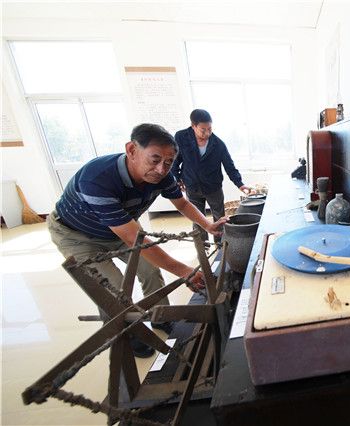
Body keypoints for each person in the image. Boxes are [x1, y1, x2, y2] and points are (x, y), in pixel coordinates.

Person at [47, 123, 226, 358]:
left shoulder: (162, 175)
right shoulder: (97, 178)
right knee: (113, 289)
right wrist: (184, 271)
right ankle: (127, 334)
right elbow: (132, 238)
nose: (161, 169)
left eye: (168, 162)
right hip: (78, 236)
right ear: (132, 150)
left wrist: (208, 225)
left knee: (150, 269)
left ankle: (162, 316)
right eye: (155, 159)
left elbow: (182, 203)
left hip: (122, 226)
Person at [172, 109, 251, 242]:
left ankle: (220, 245)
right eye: (203, 130)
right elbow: (175, 159)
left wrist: (240, 184)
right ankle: (203, 246)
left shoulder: (218, 144)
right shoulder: (181, 137)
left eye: (210, 129)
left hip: (213, 188)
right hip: (192, 186)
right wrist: (177, 178)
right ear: (193, 126)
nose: (207, 133)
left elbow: (229, 166)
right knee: (197, 219)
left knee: (219, 217)